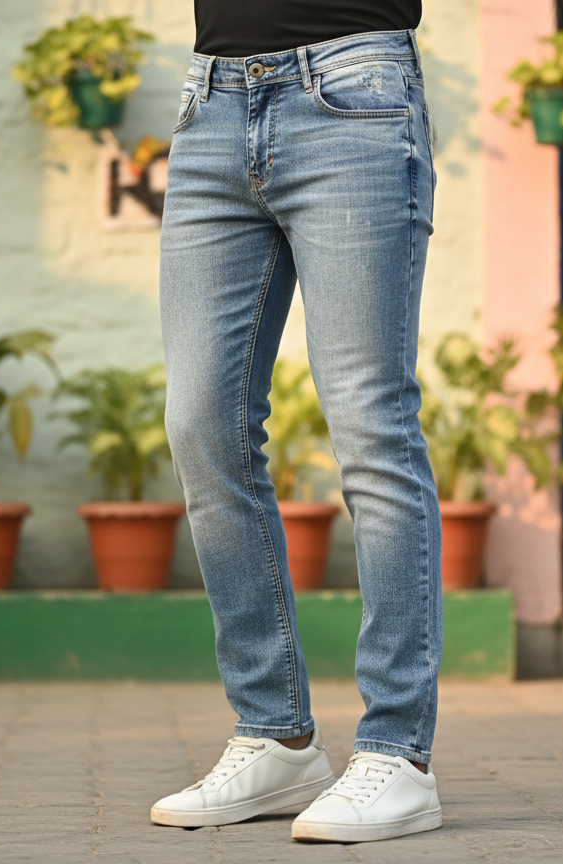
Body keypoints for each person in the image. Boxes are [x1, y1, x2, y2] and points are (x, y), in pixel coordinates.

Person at [153, 0, 442, 843]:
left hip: (353, 94)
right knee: (200, 426)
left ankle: (398, 752)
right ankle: (275, 735)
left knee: (370, 427)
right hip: (211, 104)